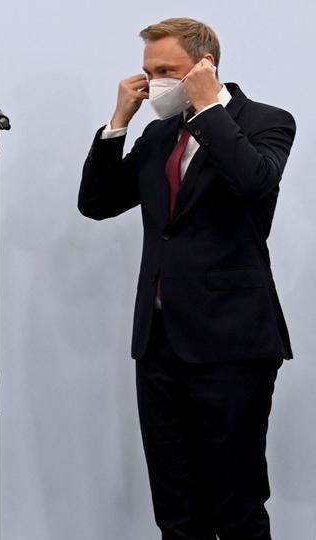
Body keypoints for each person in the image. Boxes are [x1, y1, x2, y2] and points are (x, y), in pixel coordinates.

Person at [78, 18, 294, 540]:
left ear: (205, 65)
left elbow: (255, 182)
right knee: (175, 506)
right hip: (158, 343)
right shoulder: (158, 134)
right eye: (149, 72)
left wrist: (210, 109)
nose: (155, 84)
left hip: (233, 342)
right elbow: (98, 203)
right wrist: (117, 123)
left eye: (167, 71)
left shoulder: (266, 120)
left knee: (236, 502)